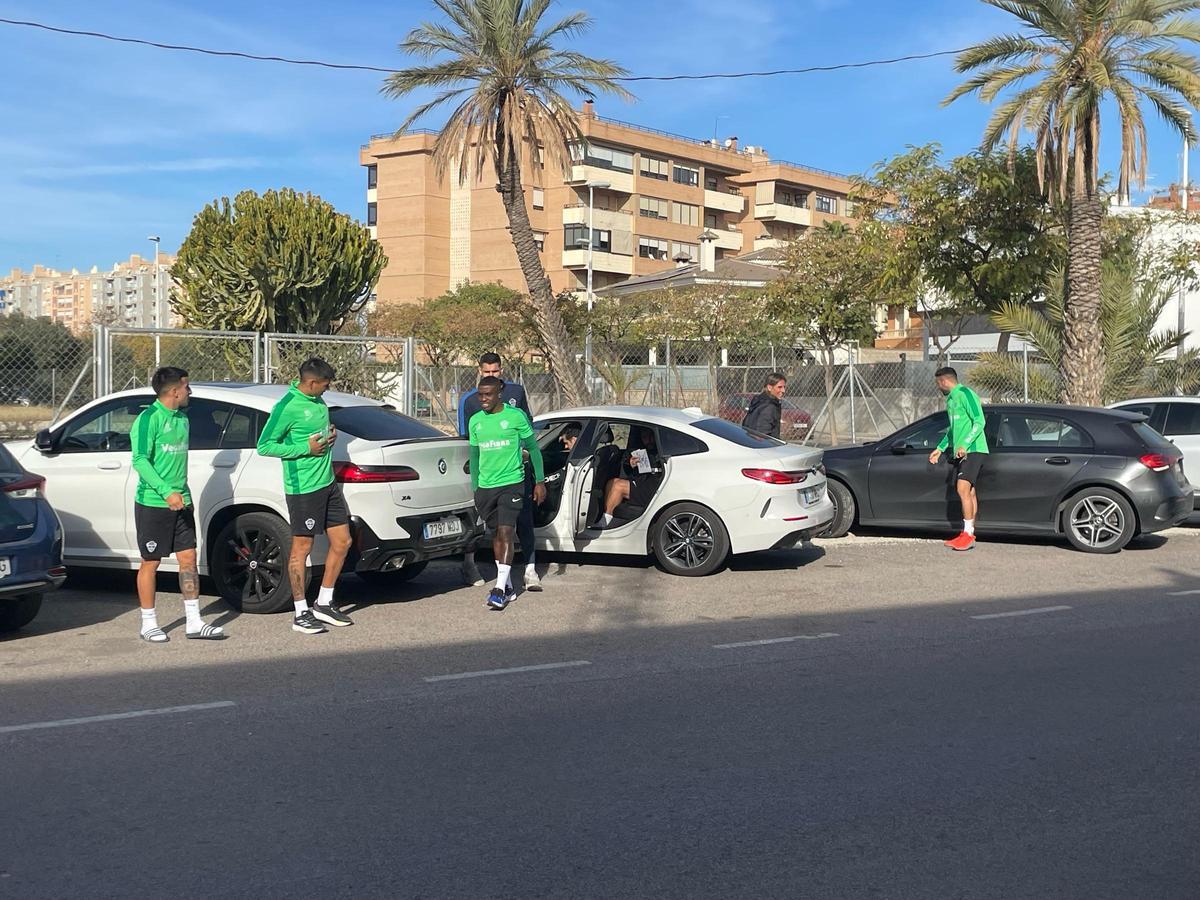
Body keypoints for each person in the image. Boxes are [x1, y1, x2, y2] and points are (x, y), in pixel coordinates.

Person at [257, 358, 354, 634]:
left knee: (343, 542)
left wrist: (329, 436)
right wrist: (304, 448)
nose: (327, 389)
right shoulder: (287, 406)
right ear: (311, 383)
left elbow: (317, 434)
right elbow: (265, 446)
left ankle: (324, 602)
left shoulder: (318, 402)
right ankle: (300, 612)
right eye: (324, 385)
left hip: (327, 484)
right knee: (302, 548)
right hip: (303, 489)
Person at [130, 366, 224, 643]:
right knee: (151, 561)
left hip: (182, 502)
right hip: (153, 503)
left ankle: (194, 621)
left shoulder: (182, 419)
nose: (189, 391)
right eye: (187, 386)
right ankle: (148, 623)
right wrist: (165, 491)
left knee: (188, 558)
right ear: (174, 391)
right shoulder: (149, 418)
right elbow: (140, 460)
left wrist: (180, 494)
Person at [457, 352, 542, 590]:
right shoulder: (470, 400)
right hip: (486, 474)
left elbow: (528, 429)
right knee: (484, 523)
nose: (491, 375)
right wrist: (475, 479)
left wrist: (525, 453)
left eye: (495, 371)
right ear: (480, 371)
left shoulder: (516, 393)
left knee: (521, 519)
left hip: (514, 472)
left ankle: (529, 569)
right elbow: (469, 441)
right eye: (487, 372)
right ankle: (469, 563)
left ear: (501, 371)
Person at [928, 366, 989, 551]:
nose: (938, 386)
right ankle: (967, 533)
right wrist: (940, 448)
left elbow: (980, 421)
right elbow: (953, 430)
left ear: (944, 381)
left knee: (962, 488)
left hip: (974, 450)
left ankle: (968, 535)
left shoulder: (965, 393)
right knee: (968, 492)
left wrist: (966, 445)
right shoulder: (951, 400)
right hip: (961, 452)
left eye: (938, 383)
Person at [598, 427, 662, 528]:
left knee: (618, 486)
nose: (648, 440)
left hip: (655, 487)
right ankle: (606, 517)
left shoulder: (661, 451)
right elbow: (626, 466)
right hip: (641, 483)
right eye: (644, 437)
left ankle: (605, 522)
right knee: (612, 482)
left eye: (650, 437)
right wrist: (630, 463)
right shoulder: (638, 450)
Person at [742, 373, 786, 438]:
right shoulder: (769, 407)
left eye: (784, 387)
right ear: (769, 387)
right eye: (779, 387)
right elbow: (762, 433)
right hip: (763, 445)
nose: (783, 390)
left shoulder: (759, 401)